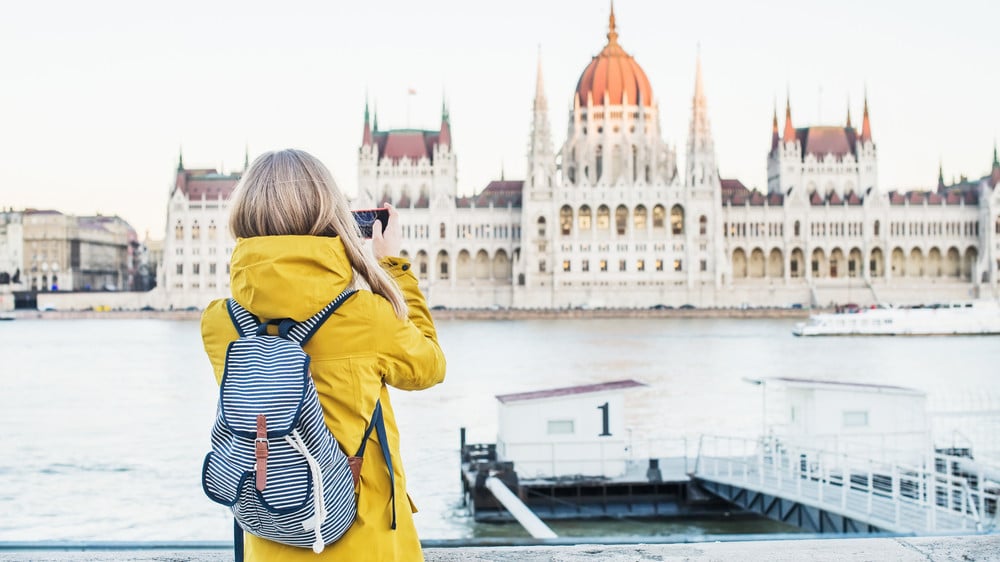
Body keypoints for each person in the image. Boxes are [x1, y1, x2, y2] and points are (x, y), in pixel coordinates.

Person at [200, 148, 446, 561]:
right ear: (329, 215)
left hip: (273, 534)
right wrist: (391, 267)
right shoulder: (367, 315)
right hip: (364, 544)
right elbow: (430, 366)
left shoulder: (220, 323)